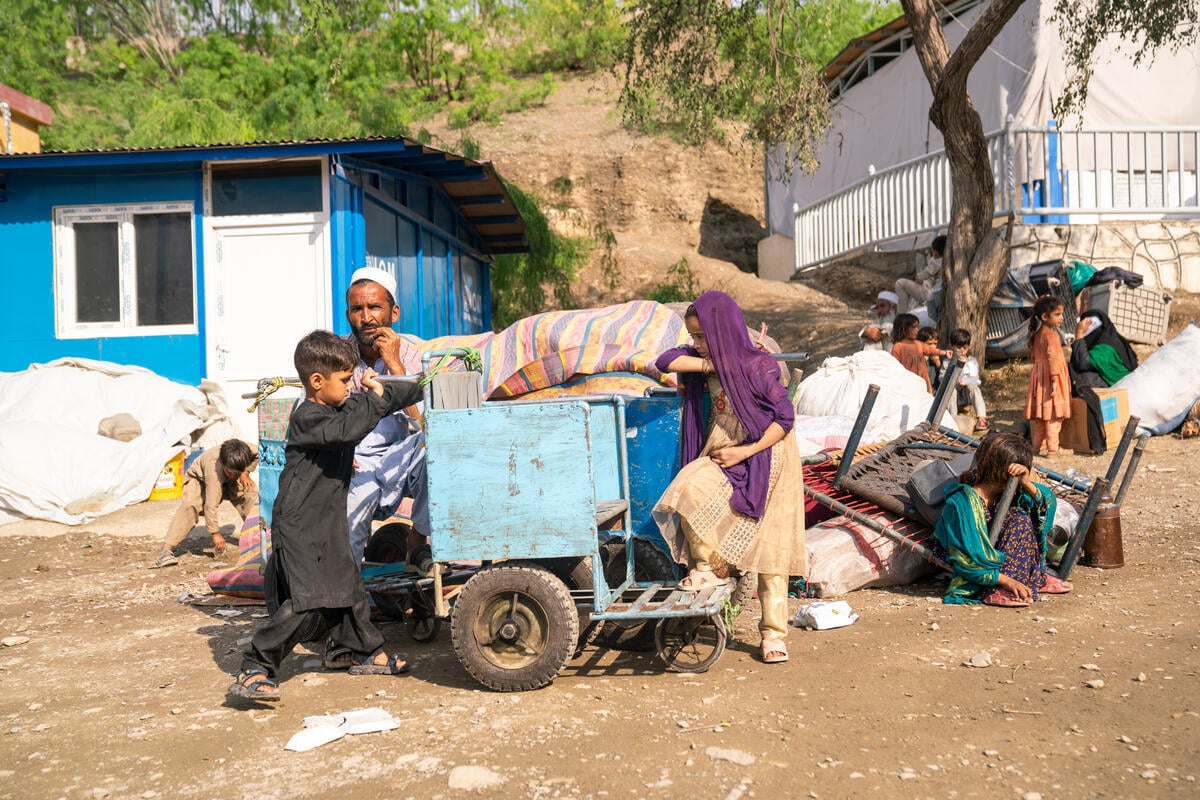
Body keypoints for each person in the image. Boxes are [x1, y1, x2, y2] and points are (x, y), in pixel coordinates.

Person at [228, 330, 422, 701]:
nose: (351, 386)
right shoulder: (309, 417)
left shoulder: (337, 408)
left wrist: (420, 385)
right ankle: (256, 664)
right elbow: (350, 428)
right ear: (317, 381)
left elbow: (376, 405)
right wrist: (375, 398)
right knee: (310, 599)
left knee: (348, 586)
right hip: (300, 524)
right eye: (345, 380)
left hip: (327, 520)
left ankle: (358, 650)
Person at [652, 291, 806, 665]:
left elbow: (785, 419)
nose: (695, 344)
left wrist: (745, 452)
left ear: (721, 330)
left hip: (769, 454)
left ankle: (773, 634)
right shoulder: (709, 363)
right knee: (688, 488)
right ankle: (709, 569)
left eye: (701, 336)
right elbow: (665, 360)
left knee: (772, 546)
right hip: (724, 447)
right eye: (693, 336)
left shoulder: (759, 366)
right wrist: (710, 365)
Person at [342, 266, 432, 572]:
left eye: (374, 307)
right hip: (355, 459)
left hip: (401, 455)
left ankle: (417, 539)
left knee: (438, 452)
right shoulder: (336, 355)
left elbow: (422, 423)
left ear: (393, 313)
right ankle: (352, 593)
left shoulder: (413, 356)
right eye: (357, 309)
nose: (366, 317)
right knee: (348, 537)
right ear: (348, 314)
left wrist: (395, 366)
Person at [932, 432, 1073, 607]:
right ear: (1003, 470)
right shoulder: (962, 503)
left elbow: (1047, 504)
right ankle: (993, 590)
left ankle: (1034, 576)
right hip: (973, 561)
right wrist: (1007, 581)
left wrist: (1026, 483)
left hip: (998, 557)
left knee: (1021, 517)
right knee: (1019, 520)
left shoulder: (1009, 495)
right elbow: (966, 558)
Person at [152, 440, 257, 568]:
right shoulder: (213, 470)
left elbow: (259, 454)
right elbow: (211, 505)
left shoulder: (248, 450)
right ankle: (165, 552)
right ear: (223, 463)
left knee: (250, 493)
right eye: (231, 472)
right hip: (199, 481)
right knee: (190, 505)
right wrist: (215, 533)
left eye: (236, 472)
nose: (233, 475)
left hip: (231, 480)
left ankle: (260, 537)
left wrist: (245, 473)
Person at [1025, 295, 1072, 457]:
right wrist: (1054, 380)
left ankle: (1036, 447)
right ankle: (1053, 449)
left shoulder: (1037, 335)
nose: (1061, 317)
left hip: (1039, 379)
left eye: (1061, 314)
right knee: (1053, 416)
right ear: (1045, 317)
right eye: (1057, 314)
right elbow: (1053, 358)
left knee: (1041, 417)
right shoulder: (1052, 335)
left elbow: (1034, 357)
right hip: (1052, 378)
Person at [1069, 309, 1138, 388]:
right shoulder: (1109, 339)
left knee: (1082, 379)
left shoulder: (1106, 348)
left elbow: (1083, 363)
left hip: (1120, 385)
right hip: (1115, 381)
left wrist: (1079, 335)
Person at [889, 313, 951, 393]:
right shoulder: (898, 347)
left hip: (923, 378)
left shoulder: (918, 344)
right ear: (904, 329)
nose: (917, 330)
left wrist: (944, 352)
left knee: (927, 394)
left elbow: (930, 350)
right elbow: (894, 365)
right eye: (914, 327)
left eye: (917, 327)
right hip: (908, 381)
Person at [943, 328, 988, 431]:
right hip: (952, 396)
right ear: (952, 346)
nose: (962, 350)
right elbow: (942, 378)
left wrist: (966, 381)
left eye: (964, 347)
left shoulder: (971, 361)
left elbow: (975, 379)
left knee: (974, 387)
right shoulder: (947, 362)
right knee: (951, 390)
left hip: (966, 394)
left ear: (968, 347)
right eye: (959, 347)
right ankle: (953, 420)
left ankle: (981, 418)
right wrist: (954, 381)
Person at [895, 234, 945, 313]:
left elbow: (920, 278)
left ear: (935, 252)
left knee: (900, 283)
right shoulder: (948, 260)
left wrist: (922, 281)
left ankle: (902, 314)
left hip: (930, 293)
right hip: (937, 294)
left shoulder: (937, 262)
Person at [916, 325, 943, 390]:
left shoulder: (939, 358)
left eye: (935, 343)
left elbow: (943, 379)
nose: (933, 347)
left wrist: (938, 363)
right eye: (929, 344)